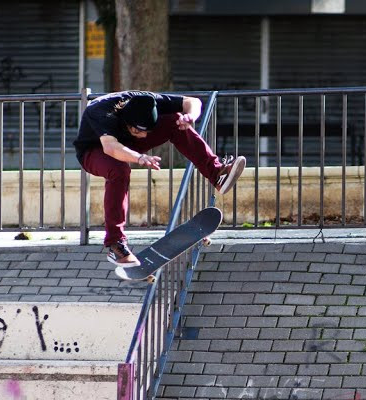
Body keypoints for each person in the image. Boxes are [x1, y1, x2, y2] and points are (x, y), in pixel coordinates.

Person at [73, 90, 246, 267]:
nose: (145, 136)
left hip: (126, 142)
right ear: (127, 121)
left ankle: (217, 174)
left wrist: (190, 117)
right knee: (119, 170)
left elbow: (192, 101)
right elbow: (111, 148)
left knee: (175, 121)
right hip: (95, 150)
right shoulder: (101, 112)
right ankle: (115, 244)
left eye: (148, 131)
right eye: (140, 131)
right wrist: (139, 158)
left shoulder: (150, 100)